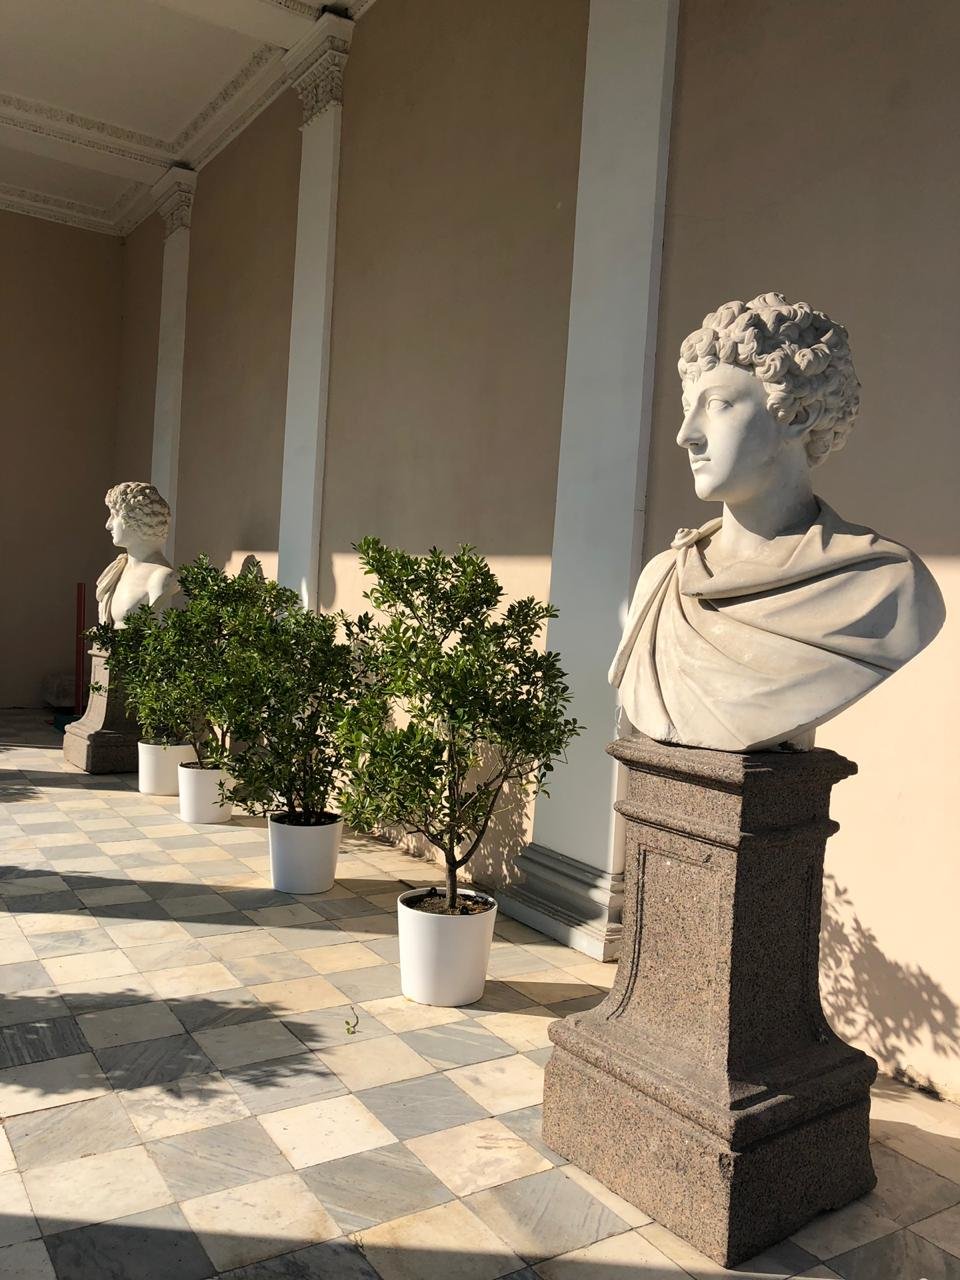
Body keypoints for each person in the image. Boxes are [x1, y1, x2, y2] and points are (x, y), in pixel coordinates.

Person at [610, 292, 945, 751]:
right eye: (688, 407)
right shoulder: (662, 580)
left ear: (800, 415)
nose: (686, 435)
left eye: (718, 404)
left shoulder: (886, 587)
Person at [96, 482, 177, 627]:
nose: (108, 524)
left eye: (114, 515)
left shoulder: (161, 577)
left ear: (136, 519)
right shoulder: (118, 569)